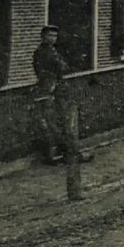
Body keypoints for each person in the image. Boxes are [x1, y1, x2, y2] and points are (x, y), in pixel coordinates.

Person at [32, 24, 91, 165]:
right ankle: (69, 155)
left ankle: (60, 154)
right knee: (63, 123)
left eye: (55, 36)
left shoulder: (48, 51)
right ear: (43, 37)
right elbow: (61, 67)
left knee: (58, 124)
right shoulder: (45, 52)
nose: (53, 38)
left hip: (52, 89)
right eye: (50, 35)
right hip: (51, 90)